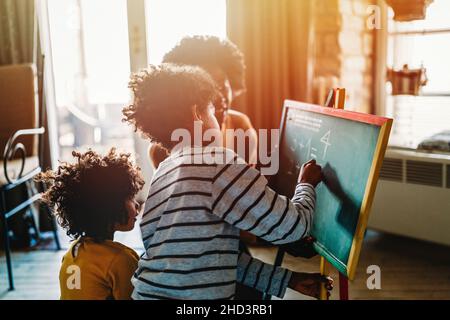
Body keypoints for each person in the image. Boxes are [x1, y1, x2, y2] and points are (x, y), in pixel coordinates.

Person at [122, 64, 332, 300]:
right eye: (212, 110)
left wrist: (287, 279)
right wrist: (306, 184)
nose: (217, 119)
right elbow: (293, 227)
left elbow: (211, 256)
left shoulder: (164, 172)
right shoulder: (216, 161)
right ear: (197, 114)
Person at [37, 149, 144, 300]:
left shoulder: (71, 253)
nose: (137, 204)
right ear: (109, 206)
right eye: (130, 197)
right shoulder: (122, 259)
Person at [149, 35, 257, 168]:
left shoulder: (240, 127)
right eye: (206, 91)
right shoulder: (162, 149)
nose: (218, 97)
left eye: (222, 86)